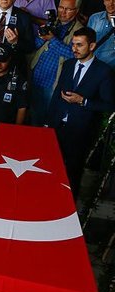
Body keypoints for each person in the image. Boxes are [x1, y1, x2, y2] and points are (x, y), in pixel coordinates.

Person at [45, 27, 115, 198]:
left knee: (72, 175)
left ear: (92, 46)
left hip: (81, 131)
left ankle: (68, 212)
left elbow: (109, 105)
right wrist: (48, 123)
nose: (74, 49)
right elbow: (57, 95)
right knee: (50, 170)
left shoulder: (103, 71)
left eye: (79, 45)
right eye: (73, 44)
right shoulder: (68, 65)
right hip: (57, 127)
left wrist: (83, 101)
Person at [29, 0, 83, 126]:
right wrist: (42, 35)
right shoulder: (52, 22)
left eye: (68, 9)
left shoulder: (79, 30)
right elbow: (36, 46)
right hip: (36, 76)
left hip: (52, 82)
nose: (63, 12)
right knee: (32, 114)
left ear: (76, 11)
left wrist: (52, 39)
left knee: (45, 118)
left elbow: (74, 54)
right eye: (61, 7)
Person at [88, 0, 115, 70]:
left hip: (110, 71)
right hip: (91, 67)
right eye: (108, 0)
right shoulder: (94, 18)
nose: (111, 3)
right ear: (104, 1)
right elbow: (87, 43)